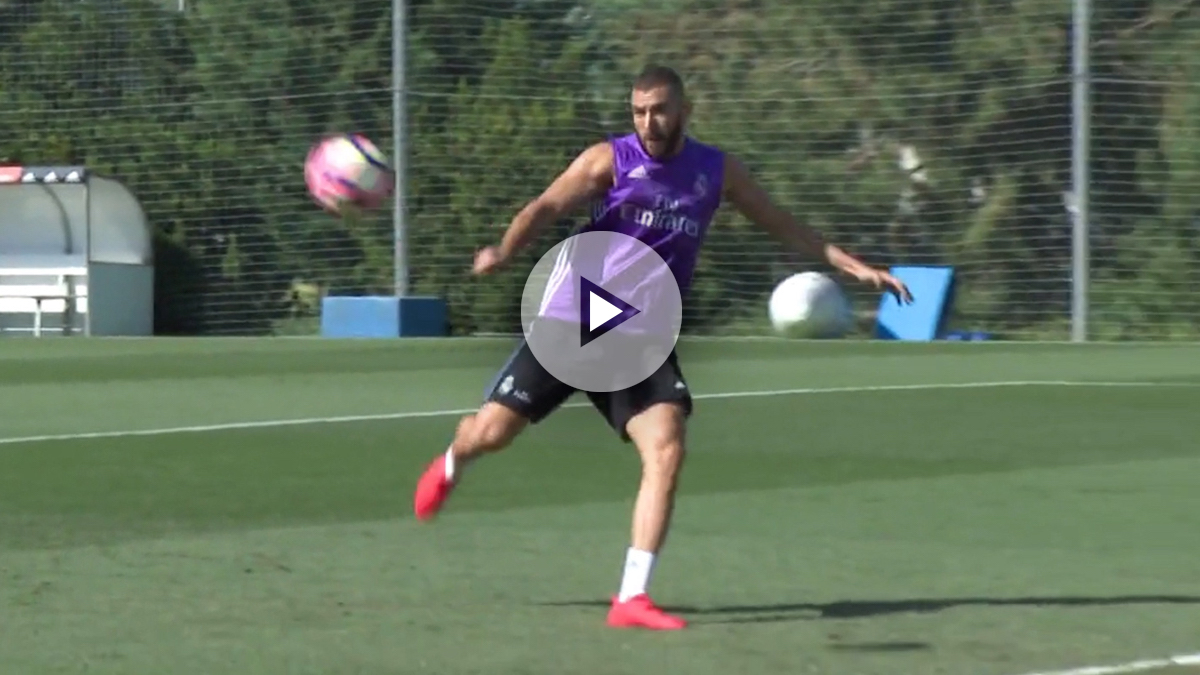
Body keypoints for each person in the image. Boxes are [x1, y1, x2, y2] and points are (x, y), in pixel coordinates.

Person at [413, 65, 913, 631]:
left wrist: (857, 268)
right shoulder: (610, 161)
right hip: (579, 315)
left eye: (659, 109)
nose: (648, 121)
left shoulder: (717, 171)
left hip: (642, 335)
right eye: (638, 111)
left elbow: (787, 226)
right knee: (493, 434)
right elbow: (545, 208)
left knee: (667, 447)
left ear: (684, 109)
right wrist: (504, 251)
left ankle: (632, 597)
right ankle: (456, 457)